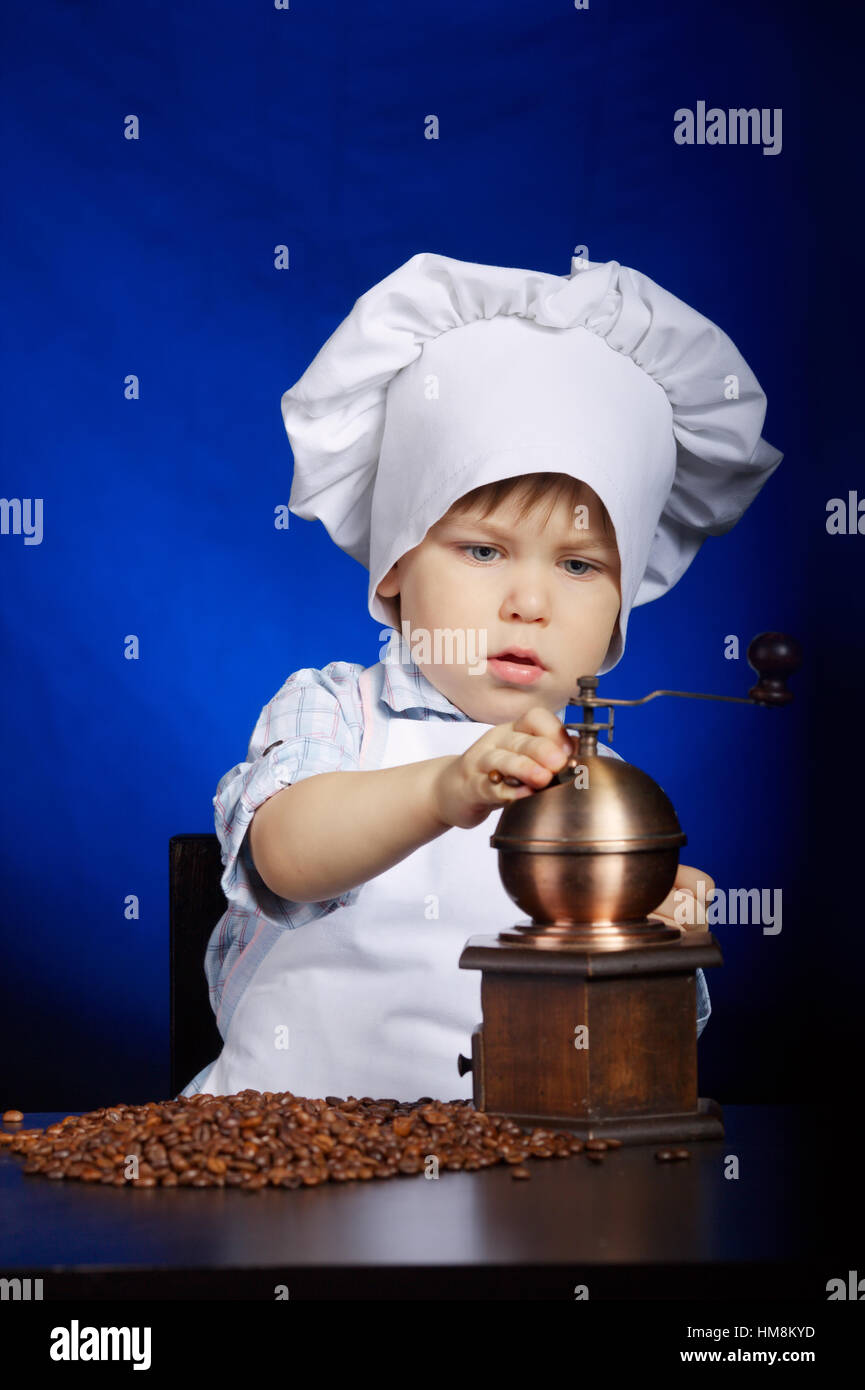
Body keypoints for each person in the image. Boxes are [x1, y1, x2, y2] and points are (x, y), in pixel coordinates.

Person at [178, 251, 782, 1102]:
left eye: (577, 566)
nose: (528, 600)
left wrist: (650, 939)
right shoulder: (332, 711)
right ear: (394, 565)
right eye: (483, 550)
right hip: (286, 1168)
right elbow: (285, 859)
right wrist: (441, 789)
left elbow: (633, 1064)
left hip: (520, 1189)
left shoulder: (598, 791)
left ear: (619, 608)